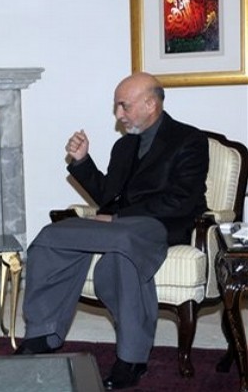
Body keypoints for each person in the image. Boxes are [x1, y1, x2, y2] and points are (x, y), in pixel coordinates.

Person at [16, 72, 208, 390]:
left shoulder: (189, 140)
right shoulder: (123, 146)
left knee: (122, 248)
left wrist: (119, 218)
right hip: (121, 228)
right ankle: (42, 334)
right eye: (117, 107)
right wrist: (82, 162)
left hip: (161, 225)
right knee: (51, 236)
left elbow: (181, 200)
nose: (119, 115)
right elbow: (108, 197)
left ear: (150, 104)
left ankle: (131, 359)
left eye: (124, 106)